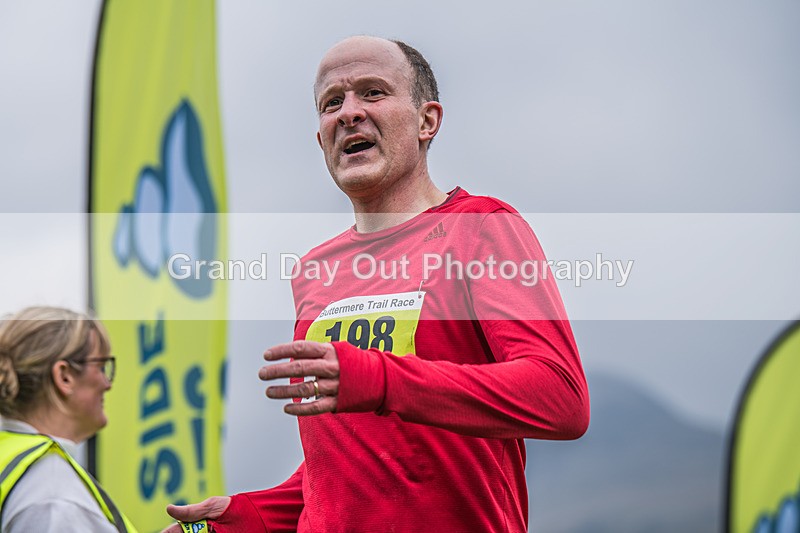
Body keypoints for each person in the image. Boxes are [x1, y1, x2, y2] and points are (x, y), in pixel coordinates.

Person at [165, 36, 589, 532]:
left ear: (427, 121)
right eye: (331, 103)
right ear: (321, 138)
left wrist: (379, 378)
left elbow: (560, 398)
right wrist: (252, 517)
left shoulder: (480, 226)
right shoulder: (314, 270)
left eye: (372, 92)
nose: (348, 113)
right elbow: (350, 461)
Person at [0, 306, 136, 533]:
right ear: (64, 376)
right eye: (102, 367)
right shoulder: (54, 497)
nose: (107, 383)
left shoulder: (15, 463)